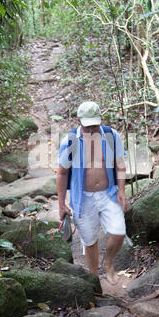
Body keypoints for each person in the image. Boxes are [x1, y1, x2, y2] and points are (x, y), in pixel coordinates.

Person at [57, 101, 129, 285]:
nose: (91, 130)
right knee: (90, 241)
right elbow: (62, 172)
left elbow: (120, 164)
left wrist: (121, 190)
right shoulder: (70, 141)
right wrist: (61, 204)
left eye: (95, 126)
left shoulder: (111, 136)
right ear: (79, 121)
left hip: (109, 194)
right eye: (87, 126)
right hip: (83, 198)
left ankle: (109, 263)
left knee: (118, 232)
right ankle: (94, 278)